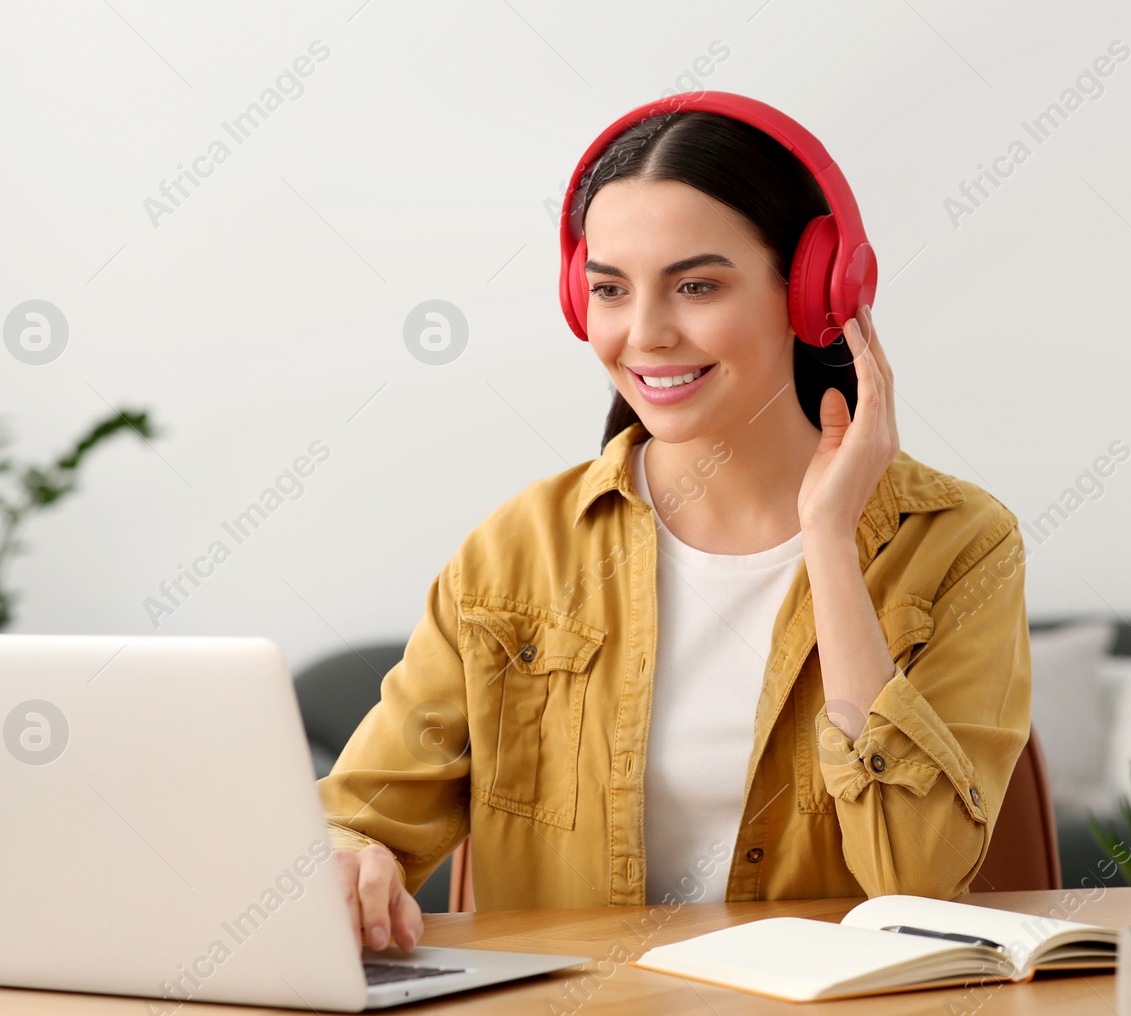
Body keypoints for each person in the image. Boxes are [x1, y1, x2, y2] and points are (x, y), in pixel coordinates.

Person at [322, 95, 1031, 954]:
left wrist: (832, 545)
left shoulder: (959, 543)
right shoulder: (516, 553)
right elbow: (360, 818)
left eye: (696, 286)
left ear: (812, 292)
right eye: (611, 290)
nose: (646, 335)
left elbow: (914, 877)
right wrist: (347, 857)